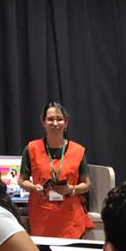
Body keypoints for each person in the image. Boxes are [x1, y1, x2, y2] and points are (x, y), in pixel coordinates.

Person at [18, 101, 93, 239]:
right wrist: (34, 187)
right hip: (42, 217)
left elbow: (86, 184)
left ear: (66, 123)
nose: (55, 123)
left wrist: (71, 189)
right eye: (50, 119)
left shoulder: (78, 151)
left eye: (59, 119)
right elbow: (22, 180)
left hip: (69, 219)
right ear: (43, 122)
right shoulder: (31, 149)